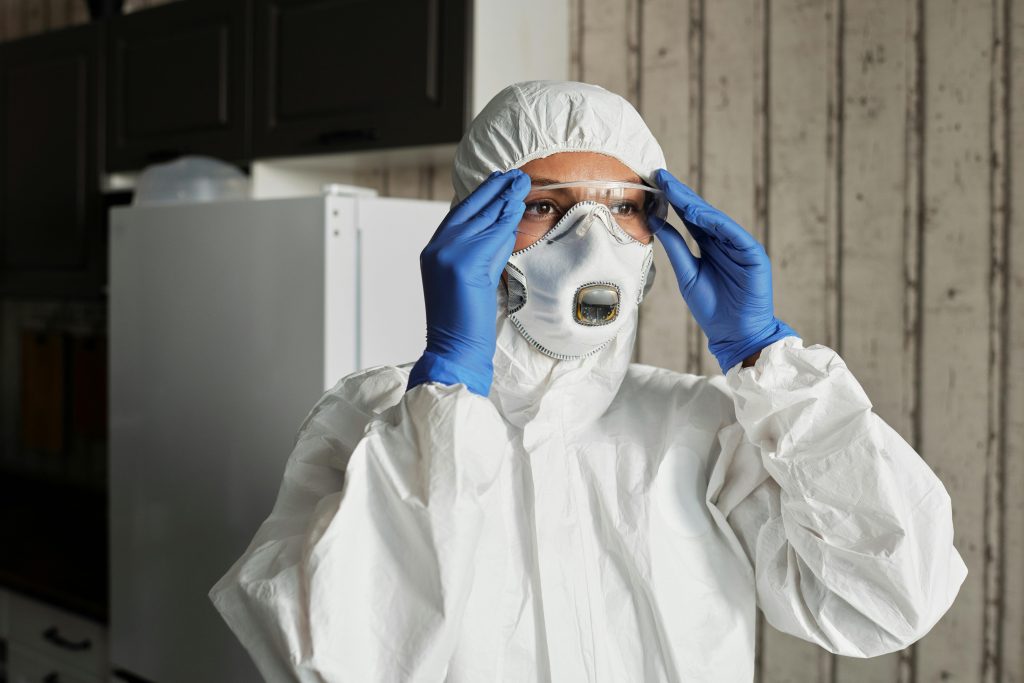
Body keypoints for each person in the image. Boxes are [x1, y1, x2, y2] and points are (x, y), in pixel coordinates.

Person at [209, 80, 967, 682]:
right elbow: (332, 659)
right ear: (475, 223)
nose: (592, 241)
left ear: (653, 235)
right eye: (544, 206)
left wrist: (767, 356)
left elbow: (891, 597)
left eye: (626, 209)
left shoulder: (704, 430)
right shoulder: (373, 417)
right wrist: (445, 399)